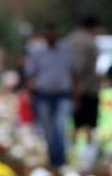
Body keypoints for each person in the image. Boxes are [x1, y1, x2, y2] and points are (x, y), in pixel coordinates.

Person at [25, 23, 75, 167]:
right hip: (43, 96)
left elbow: (73, 72)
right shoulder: (36, 51)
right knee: (47, 130)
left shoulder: (66, 49)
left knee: (60, 127)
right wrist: (30, 93)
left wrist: (75, 95)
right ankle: (53, 159)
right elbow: (30, 74)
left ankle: (61, 160)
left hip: (63, 95)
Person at [66, 16, 100, 144]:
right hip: (86, 87)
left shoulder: (71, 38)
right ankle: (87, 151)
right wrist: (78, 85)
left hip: (75, 87)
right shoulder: (86, 41)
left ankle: (73, 150)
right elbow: (79, 66)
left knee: (76, 121)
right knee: (89, 122)